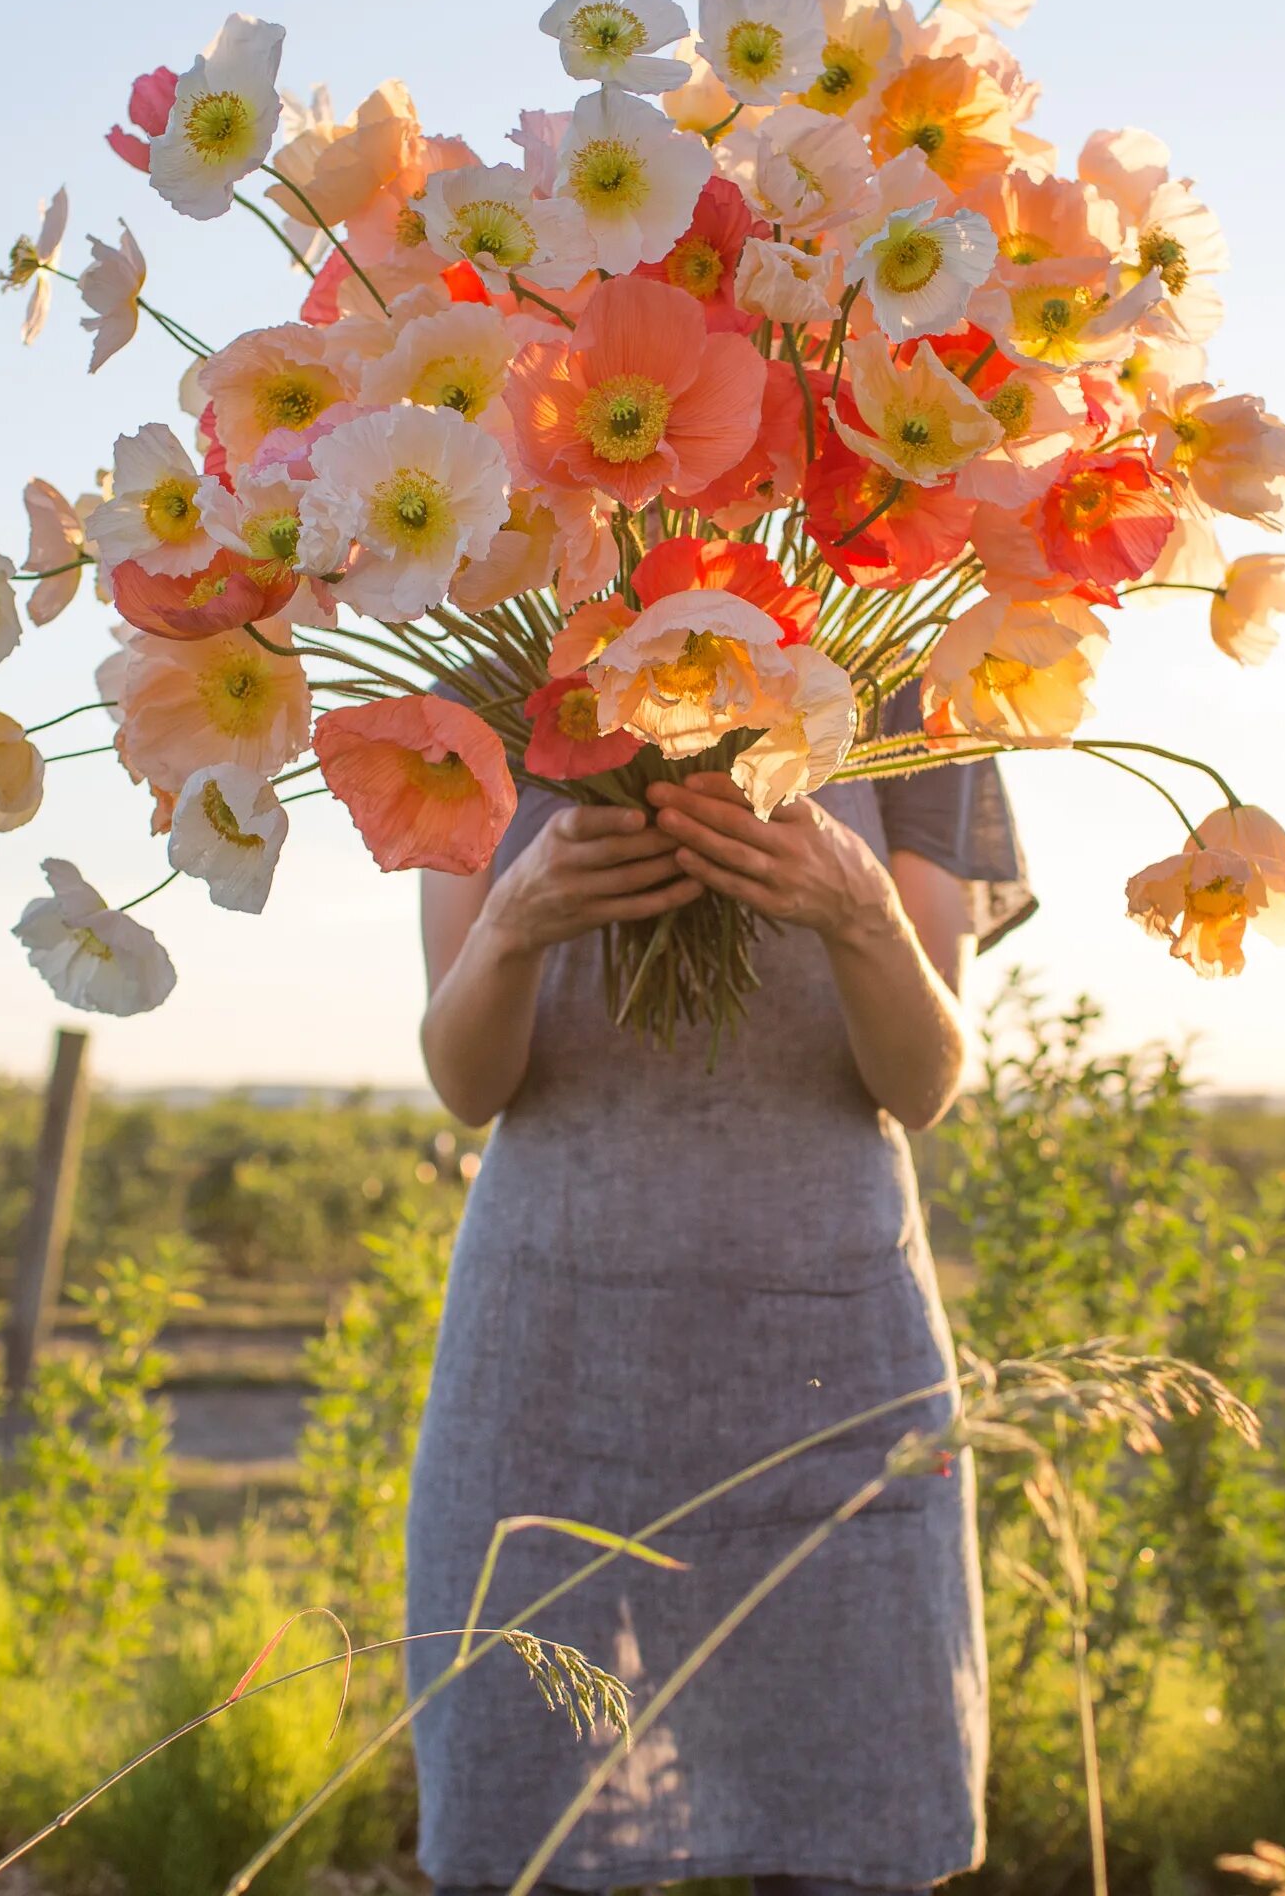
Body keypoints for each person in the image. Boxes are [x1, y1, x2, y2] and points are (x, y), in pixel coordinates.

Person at [405, 691, 1034, 1896]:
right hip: (548, 1362)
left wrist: (857, 909)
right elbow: (465, 1076)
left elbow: (922, 1079)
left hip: (829, 1368)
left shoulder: (906, 660)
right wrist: (516, 921)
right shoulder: (490, 644)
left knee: (852, 1843)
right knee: (521, 1839)